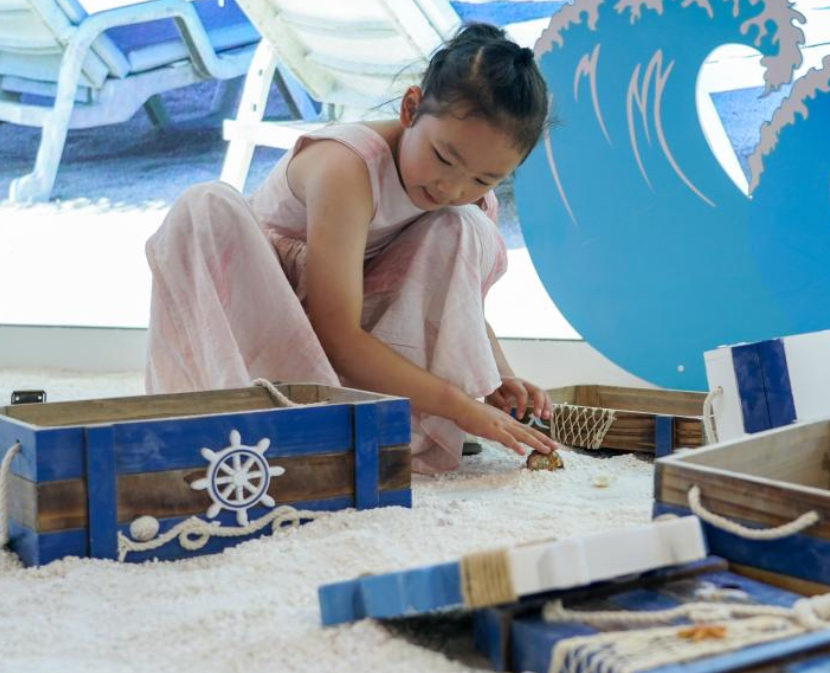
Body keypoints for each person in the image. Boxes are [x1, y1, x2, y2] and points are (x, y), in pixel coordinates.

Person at [144, 23, 556, 474]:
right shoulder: (347, 168)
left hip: (362, 326)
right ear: (410, 108)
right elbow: (337, 336)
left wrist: (495, 378)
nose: (451, 186)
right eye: (444, 157)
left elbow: (463, 306)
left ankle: (409, 426)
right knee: (205, 205)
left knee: (462, 224)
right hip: (268, 315)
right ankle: (285, 425)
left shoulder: (464, 200)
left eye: (483, 178)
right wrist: (460, 405)